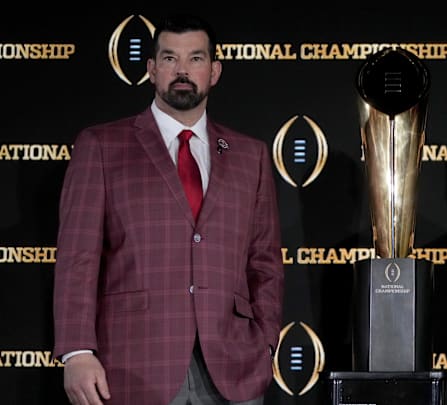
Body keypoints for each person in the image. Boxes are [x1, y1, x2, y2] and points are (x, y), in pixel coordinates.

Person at [52, 13, 284, 405]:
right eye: (169, 58)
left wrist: (264, 344)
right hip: (134, 364)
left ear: (214, 71)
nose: (182, 70)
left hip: (233, 367)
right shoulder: (103, 146)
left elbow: (265, 262)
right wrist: (77, 350)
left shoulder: (250, 155)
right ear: (151, 70)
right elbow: (78, 258)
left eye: (195, 58)